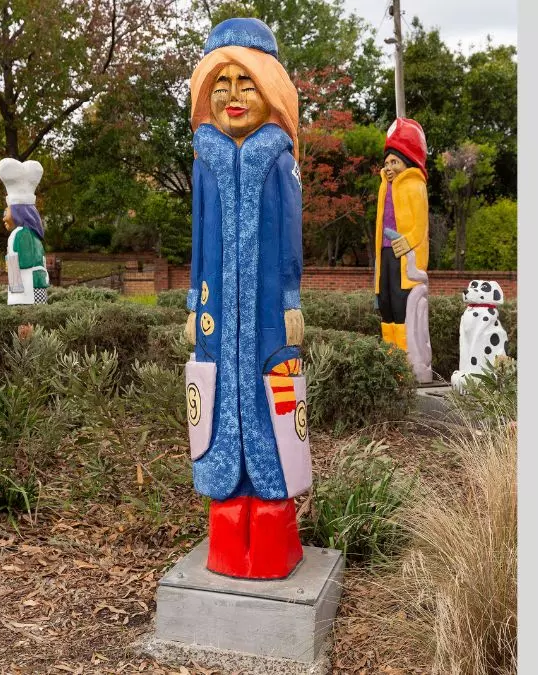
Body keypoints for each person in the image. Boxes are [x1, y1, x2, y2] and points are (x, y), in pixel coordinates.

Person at [183, 17, 307, 580]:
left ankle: (274, 513)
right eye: (222, 84)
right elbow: (198, 237)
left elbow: (289, 239)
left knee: (271, 389)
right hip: (214, 312)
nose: (233, 96)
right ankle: (227, 518)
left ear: (270, 89)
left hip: (268, 313)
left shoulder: (278, 159)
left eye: (246, 82)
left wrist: (290, 299)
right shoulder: (205, 160)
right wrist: (193, 301)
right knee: (214, 396)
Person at [372, 119, 430, 351]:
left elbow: (420, 224)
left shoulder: (415, 185)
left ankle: (406, 356)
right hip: (385, 253)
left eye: (394, 162)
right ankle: (391, 353)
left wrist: (408, 241)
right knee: (385, 303)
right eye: (386, 163)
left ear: (407, 162)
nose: (388, 167)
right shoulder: (383, 187)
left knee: (401, 302)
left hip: (405, 257)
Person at [0, 158, 50, 305]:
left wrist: (15, 295)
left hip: (26, 290)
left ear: (17, 212)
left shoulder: (20, 234)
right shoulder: (32, 234)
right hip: (35, 285)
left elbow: (20, 263)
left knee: (24, 313)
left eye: (6, 212)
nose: (4, 218)